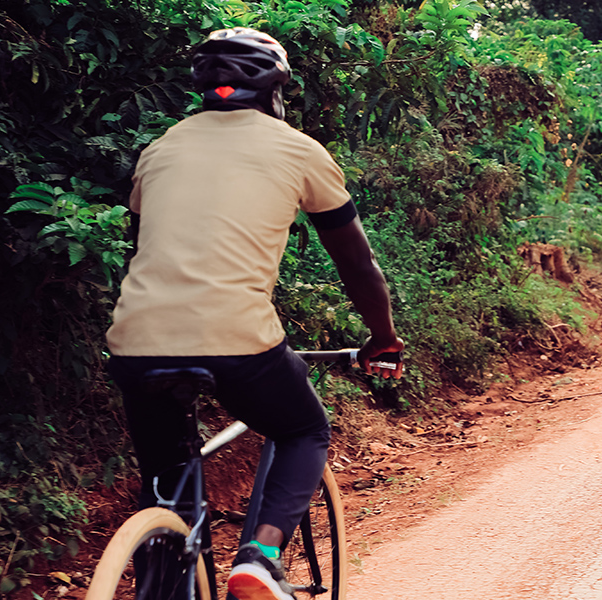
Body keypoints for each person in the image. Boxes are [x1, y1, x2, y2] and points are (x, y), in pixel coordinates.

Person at [106, 28, 404, 600]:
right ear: (275, 89)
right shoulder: (297, 149)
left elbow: (144, 240)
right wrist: (382, 338)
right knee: (303, 429)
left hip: (135, 341)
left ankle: (162, 576)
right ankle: (261, 559)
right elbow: (357, 262)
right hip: (239, 342)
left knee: (165, 480)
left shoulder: (162, 148)